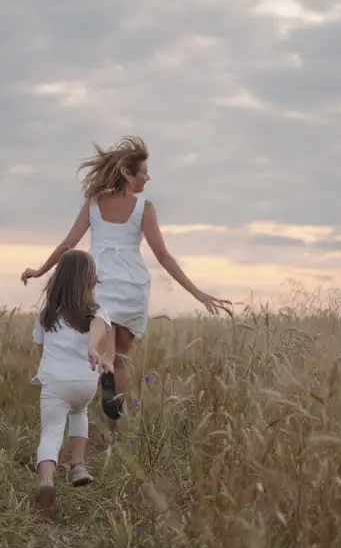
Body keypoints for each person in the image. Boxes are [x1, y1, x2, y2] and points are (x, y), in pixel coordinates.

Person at [20, 136, 231, 435]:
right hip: (131, 286)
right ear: (128, 174)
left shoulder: (94, 203)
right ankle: (112, 432)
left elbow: (69, 243)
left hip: (99, 284)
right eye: (144, 171)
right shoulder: (144, 208)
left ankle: (87, 398)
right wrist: (196, 293)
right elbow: (162, 255)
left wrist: (41, 271)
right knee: (121, 360)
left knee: (98, 351)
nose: (148, 176)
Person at [29, 248, 115, 519]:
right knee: (79, 414)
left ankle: (46, 481)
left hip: (55, 381)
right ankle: (78, 466)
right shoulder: (95, 311)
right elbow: (99, 327)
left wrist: (52, 370)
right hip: (85, 381)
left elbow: (40, 350)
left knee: (51, 431)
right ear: (90, 280)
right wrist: (92, 347)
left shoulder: (46, 314)